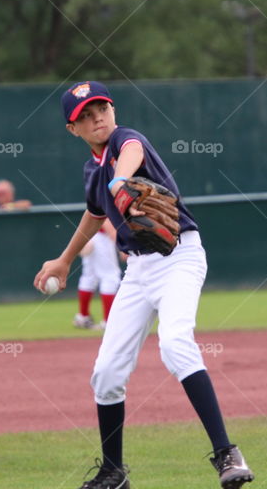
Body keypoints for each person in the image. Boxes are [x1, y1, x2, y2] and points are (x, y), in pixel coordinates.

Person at [34, 81, 254, 489]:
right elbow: (94, 214)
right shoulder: (91, 170)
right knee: (106, 372)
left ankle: (227, 454)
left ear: (112, 110)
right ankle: (114, 472)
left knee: (174, 343)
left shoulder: (125, 141)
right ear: (72, 129)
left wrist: (120, 179)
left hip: (179, 257)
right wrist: (64, 260)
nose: (95, 117)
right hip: (137, 270)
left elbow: (131, 153)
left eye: (100, 108)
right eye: (84, 115)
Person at [74, 218, 122, 330]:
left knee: (89, 277)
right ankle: (108, 321)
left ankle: (83, 316)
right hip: (102, 238)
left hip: (90, 236)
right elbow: (106, 220)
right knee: (110, 276)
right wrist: (122, 248)